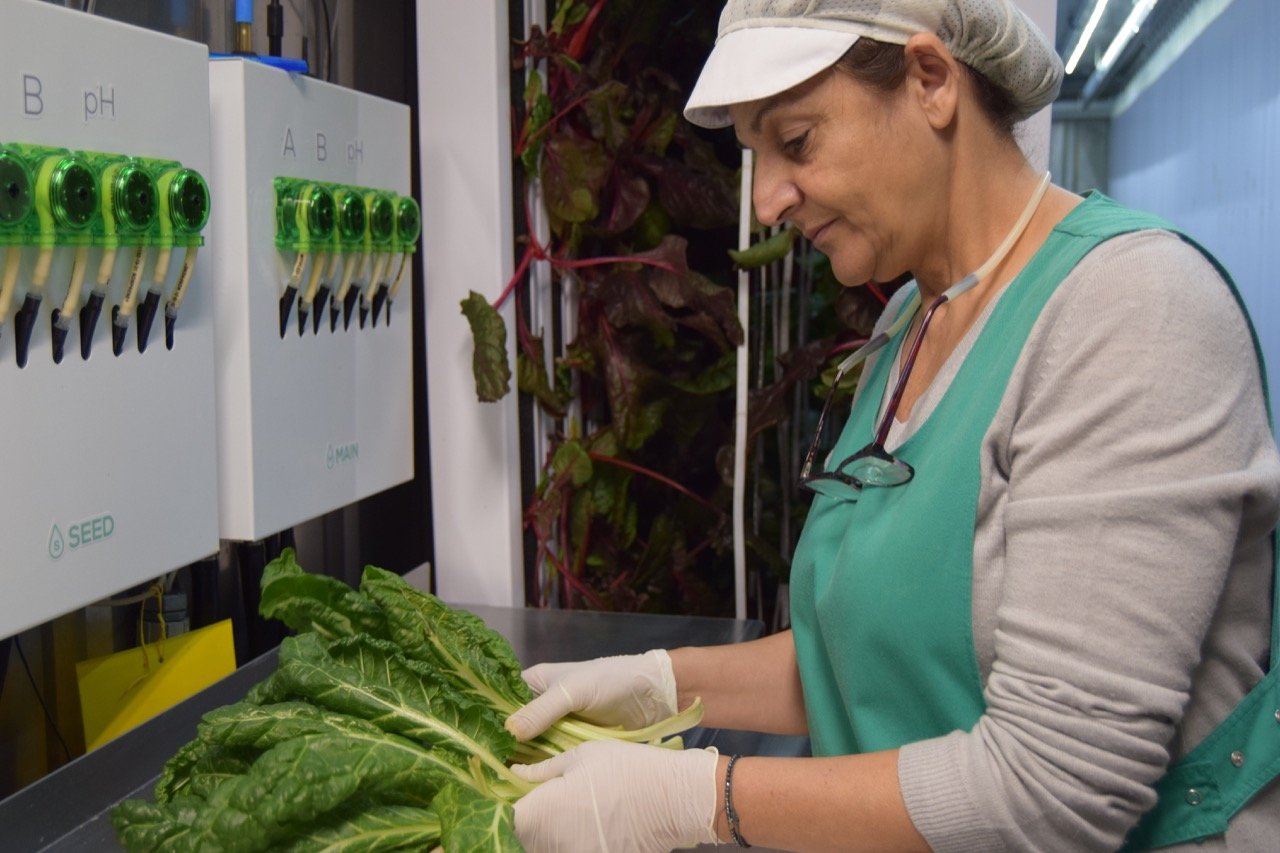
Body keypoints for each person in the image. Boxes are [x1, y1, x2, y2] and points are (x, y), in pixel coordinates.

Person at [506, 1, 1280, 850]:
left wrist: (701, 796)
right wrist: (657, 682)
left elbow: (1058, 785)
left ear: (931, 81)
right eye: (754, 154)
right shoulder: (911, 318)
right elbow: (872, 655)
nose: (766, 200)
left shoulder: (1134, 312)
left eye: (795, 141)